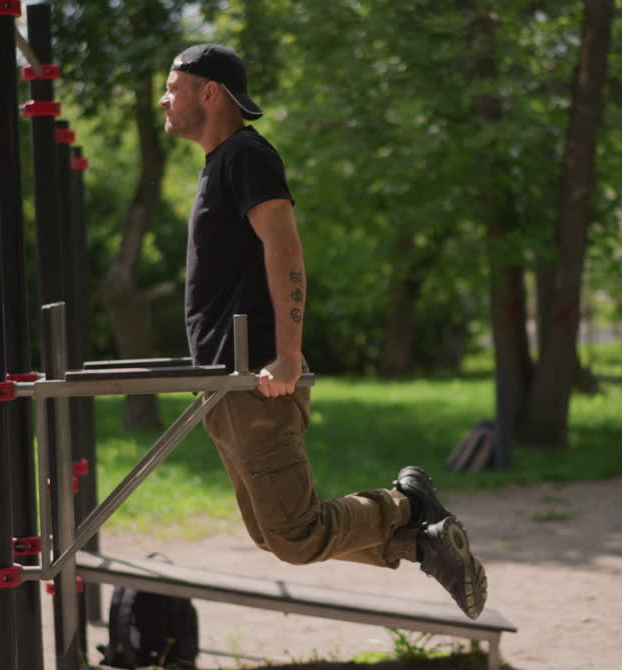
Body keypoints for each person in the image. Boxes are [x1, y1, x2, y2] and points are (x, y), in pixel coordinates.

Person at [160, 43, 488, 619]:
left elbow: (285, 251)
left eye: (172, 86)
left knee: (295, 535)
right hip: (223, 382)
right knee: (272, 532)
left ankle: (407, 504)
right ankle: (425, 541)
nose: (163, 99)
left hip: (258, 375)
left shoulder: (247, 156)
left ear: (208, 92)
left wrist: (286, 356)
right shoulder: (220, 164)